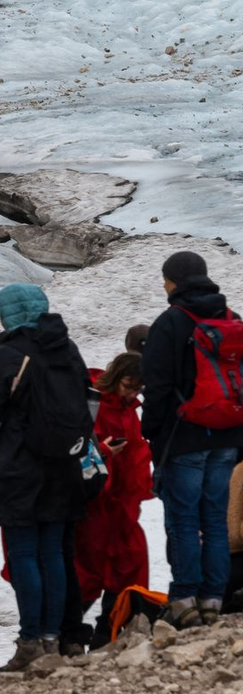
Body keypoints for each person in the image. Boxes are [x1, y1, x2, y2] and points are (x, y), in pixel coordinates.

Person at [0, 283, 90, 671]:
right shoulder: (67, 349)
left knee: (25, 553)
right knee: (55, 553)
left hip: (19, 470)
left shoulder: (9, 354)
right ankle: (53, 637)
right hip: (63, 467)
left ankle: (30, 641)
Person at [142, 250, 243, 627]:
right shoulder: (231, 320)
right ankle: (214, 600)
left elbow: (158, 387)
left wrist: (151, 432)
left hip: (185, 437)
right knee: (215, 519)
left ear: (173, 282)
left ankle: (184, 600)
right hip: (227, 436)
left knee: (184, 521)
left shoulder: (171, 323)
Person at [75, 353, 151, 647]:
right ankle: (66, 631)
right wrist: (105, 452)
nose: (132, 393)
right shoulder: (94, 404)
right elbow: (83, 450)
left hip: (120, 503)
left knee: (130, 562)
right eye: (128, 386)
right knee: (89, 570)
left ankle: (107, 631)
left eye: (137, 389)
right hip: (97, 504)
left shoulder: (127, 407)